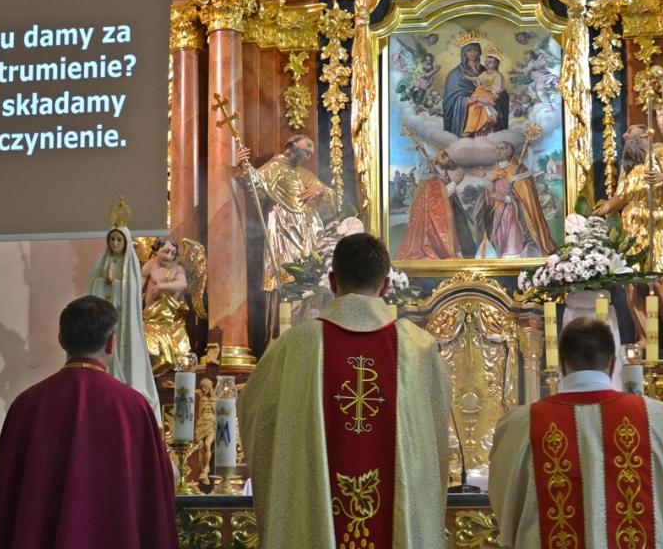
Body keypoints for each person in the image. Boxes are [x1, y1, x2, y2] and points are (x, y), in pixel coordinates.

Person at [238, 233, 451, 549]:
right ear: (386, 285)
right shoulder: (417, 349)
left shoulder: (295, 346)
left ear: (332, 280)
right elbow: (435, 437)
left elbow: (256, 417)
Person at [0, 296, 178, 549]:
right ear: (111, 343)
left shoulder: (27, 406)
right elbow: (157, 491)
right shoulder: (134, 407)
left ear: (61, 340)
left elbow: (4, 502)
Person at [489, 317, 663, 549]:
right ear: (613, 364)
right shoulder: (659, 418)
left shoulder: (520, 425)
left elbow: (505, 503)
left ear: (561, 365)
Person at [594, 124, 663, 349]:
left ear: (645, 134)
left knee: (658, 279)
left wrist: (661, 176)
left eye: (630, 131)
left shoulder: (659, 151)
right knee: (630, 284)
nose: (625, 134)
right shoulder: (628, 165)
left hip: (658, 224)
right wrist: (603, 210)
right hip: (631, 228)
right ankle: (645, 337)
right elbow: (621, 196)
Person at [85, 225, 161, 423]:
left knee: (122, 350)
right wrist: (103, 282)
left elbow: (132, 289)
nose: (115, 243)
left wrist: (116, 284)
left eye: (119, 240)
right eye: (112, 239)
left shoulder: (130, 264)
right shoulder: (101, 263)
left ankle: (124, 385)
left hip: (122, 320)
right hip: (104, 322)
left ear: (126, 242)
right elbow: (93, 286)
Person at [239, 135, 334, 292]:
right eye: (307, 145)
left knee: (310, 272)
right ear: (292, 143)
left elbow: (332, 197)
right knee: (287, 271)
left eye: (311, 152)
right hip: (284, 227)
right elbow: (256, 185)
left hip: (308, 230)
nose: (309, 152)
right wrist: (245, 165)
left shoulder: (305, 174)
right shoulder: (274, 166)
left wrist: (320, 190)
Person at [474, 141, 556, 258]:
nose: (498, 151)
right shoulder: (497, 171)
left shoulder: (518, 170)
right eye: (497, 149)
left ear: (510, 151)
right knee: (500, 241)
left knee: (513, 243)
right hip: (498, 211)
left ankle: (515, 261)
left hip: (515, 212)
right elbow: (492, 190)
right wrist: (484, 177)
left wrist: (506, 199)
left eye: (502, 148)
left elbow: (526, 197)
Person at [396, 149, 474, 259]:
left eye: (447, 155)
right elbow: (437, 198)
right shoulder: (431, 177)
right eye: (443, 157)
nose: (448, 158)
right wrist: (455, 182)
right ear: (435, 161)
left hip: (448, 217)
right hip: (432, 224)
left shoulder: (443, 175)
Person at [141, 236, 191, 376]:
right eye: (166, 251)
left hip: (172, 322)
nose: (169, 256)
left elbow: (182, 284)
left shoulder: (177, 268)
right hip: (151, 321)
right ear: (156, 250)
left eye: (173, 253)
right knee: (152, 351)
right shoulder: (149, 267)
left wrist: (161, 287)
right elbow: (136, 289)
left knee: (182, 355)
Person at [443, 41, 509, 138]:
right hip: (468, 113)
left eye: (476, 50)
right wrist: (476, 99)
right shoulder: (455, 74)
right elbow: (450, 101)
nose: (474, 53)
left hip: (489, 126)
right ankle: (469, 130)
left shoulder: (486, 70)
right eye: (470, 50)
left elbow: (501, 91)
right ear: (464, 53)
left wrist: (494, 96)